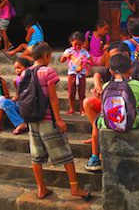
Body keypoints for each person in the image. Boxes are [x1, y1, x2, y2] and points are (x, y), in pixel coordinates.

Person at [23, 42, 91, 201]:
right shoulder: (48, 72)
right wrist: (59, 119)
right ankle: (75, 188)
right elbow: (53, 98)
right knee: (65, 153)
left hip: (32, 119)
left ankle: (41, 188)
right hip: (47, 119)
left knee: (36, 156)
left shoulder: (26, 73)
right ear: (46, 56)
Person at [85, 54, 139, 173]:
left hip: (110, 123)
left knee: (96, 123)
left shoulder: (106, 86)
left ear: (110, 71)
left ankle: (94, 158)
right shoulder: (136, 85)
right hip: (132, 123)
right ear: (130, 69)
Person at [81, 42, 130, 149]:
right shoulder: (111, 69)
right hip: (112, 104)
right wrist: (98, 86)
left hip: (128, 106)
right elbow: (97, 74)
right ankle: (97, 133)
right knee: (87, 102)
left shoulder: (133, 68)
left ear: (125, 54)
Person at [0, 57, 31, 135]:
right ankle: (20, 123)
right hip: (19, 104)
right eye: (15, 68)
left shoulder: (31, 79)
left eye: (19, 68)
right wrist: (15, 97)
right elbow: (18, 92)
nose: (17, 70)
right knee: (5, 102)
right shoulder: (16, 80)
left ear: (27, 68)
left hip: (28, 104)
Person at [60, 32, 91, 116]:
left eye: (79, 45)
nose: (77, 46)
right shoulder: (69, 51)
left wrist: (87, 69)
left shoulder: (84, 52)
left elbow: (89, 61)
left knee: (82, 92)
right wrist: (65, 56)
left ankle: (82, 109)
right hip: (72, 74)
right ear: (71, 42)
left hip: (82, 74)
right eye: (75, 44)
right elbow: (62, 60)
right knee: (71, 92)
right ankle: (72, 108)